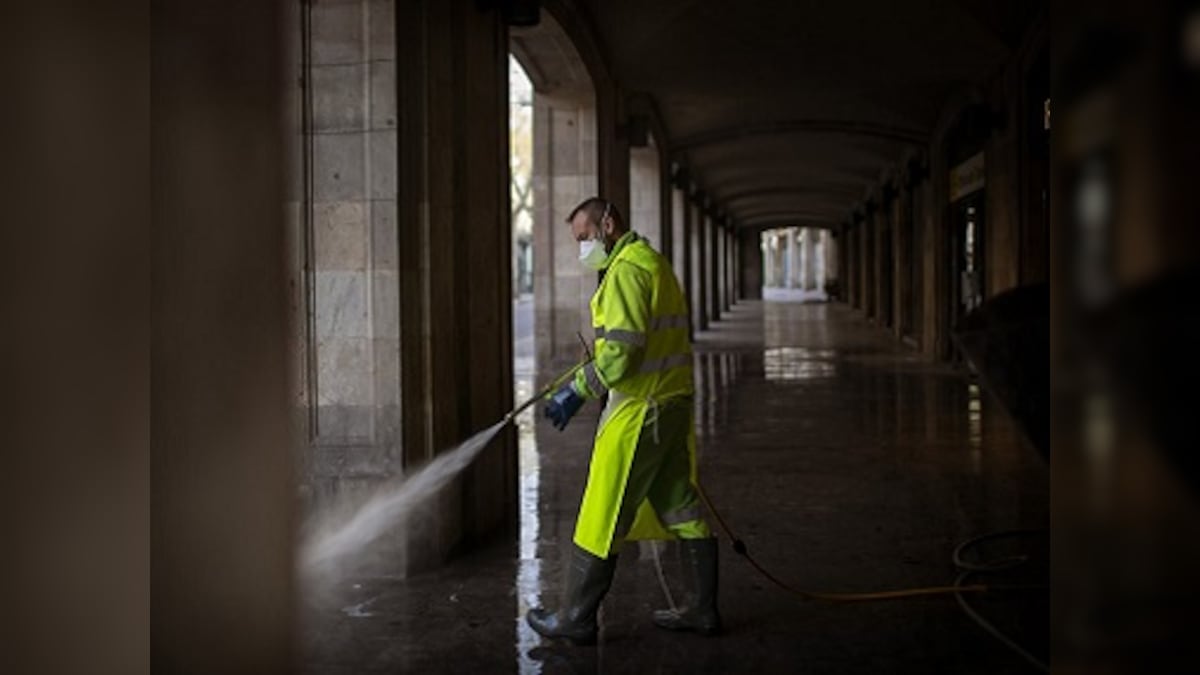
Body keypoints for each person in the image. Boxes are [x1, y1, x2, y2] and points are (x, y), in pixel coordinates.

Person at [525, 197, 721, 645]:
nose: (581, 249)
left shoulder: (626, 270)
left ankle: (575, 619)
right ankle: (701, 608)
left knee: (604, 509)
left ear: (607, 224)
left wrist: (577, 390)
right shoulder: (653, 262)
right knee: (680, 505)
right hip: (671, 403)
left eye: (583, 238)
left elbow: (622, 353)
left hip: (640, 411)